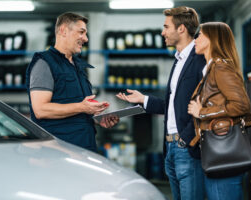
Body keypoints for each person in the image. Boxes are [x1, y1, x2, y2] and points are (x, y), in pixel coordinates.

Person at [116, 6, 205, 200]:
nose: (162, 32)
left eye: (166, 27)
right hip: (170, 148)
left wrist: (186, 138)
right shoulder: (178, 60)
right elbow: (174, 106)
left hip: (187, 148)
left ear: (181, 28)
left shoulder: (200, 59)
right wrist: (143, 99)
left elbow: (206, 102)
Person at [26, 12, 119, 152]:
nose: (86, 39)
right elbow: (40, 110)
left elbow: (75, 111)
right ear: (63, 30)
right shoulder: (44, 63)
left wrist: (97, 119)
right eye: (81, 32)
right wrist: (82, 107)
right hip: (59, 152)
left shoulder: (78, 66)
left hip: (84, 147)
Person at [188, 22, 251, 200]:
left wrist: (202, 112)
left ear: (212, 39)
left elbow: (241, 105)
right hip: (217, 153)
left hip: (225, 154)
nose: (196, 39)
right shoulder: (211, 68)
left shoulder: (221, 67)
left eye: (200, 35)